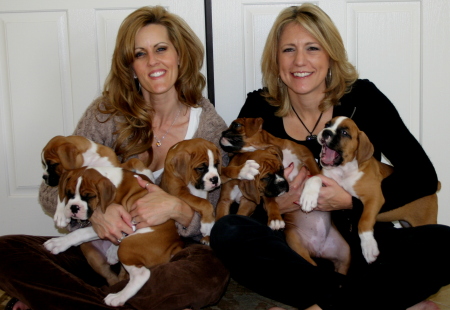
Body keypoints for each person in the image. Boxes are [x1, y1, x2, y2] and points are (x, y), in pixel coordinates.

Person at [210, 3, 450, 310]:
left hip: (363, 246)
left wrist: (351, 201)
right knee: (229, 231)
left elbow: (422, 177)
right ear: (275, 59)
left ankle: (323, 304)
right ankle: (364, 301)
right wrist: (274, 204)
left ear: (330, 55)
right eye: (288, 50)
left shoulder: (363, 99)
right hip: (296, 251)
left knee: (444, 242)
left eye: (312, 48)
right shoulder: (259, 110)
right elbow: (238, 186)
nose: (299, 61)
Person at [0, 6, 229, 310]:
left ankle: (67, 300)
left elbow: (215, 216)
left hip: (166, 254)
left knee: (210, 272)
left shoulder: (210, 128)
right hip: (100, 246)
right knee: (6, 250)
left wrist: (176, 208)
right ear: (130, 66)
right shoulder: (106, 114)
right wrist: (96, 214)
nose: (153, 62)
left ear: (180, 55)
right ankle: (118, 300)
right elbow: (49, 190)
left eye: (161, 49)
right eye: (139, 54)